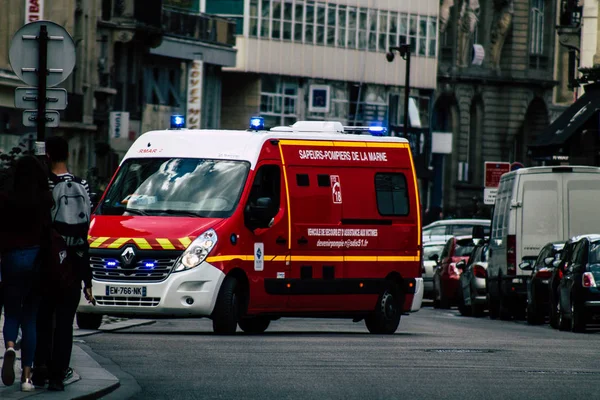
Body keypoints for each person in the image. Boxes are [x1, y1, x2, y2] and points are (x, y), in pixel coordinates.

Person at [33, 136, 95, 391]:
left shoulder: (46, 185)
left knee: (44, 317)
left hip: (49, 264)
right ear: (67, 155)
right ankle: (59, 375)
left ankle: (41, 369)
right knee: (65, 323)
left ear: (48, 156)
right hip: (75, 265)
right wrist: (88, 278)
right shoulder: (83, 185)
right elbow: (85, 234)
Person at [0, 155, 53, 392]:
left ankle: (10, 346)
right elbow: (48, 232)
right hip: (36, 261)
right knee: (30, 318)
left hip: (11, 258)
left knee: (11, 312)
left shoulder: (6, 197)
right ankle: (27, 378)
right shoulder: (44, 199)